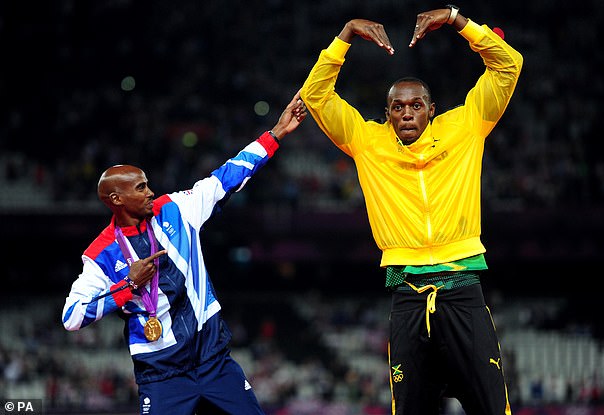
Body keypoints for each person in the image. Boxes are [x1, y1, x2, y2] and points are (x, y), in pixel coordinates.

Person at [300, 6, 522, 415]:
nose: (407, 113)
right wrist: (344, 36)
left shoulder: (466, 126)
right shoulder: (367, 141)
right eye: (398, 107)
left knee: (492, 408)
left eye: (416, 105)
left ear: (431, 108)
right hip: (407, 294)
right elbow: (315, 96)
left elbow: (508, 65)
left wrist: (457, 20)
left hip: (462, 288)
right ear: (387, 114)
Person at [62, 90, 306, 415]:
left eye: (147, 184)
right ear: (116, 200)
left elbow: (227, 176)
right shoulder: (101, 254)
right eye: (140, 188)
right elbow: (71, 317)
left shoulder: (176, 208)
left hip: (213, 360)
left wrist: (275, 134)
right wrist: (126, 288)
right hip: (162, 375)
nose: (150, 191)